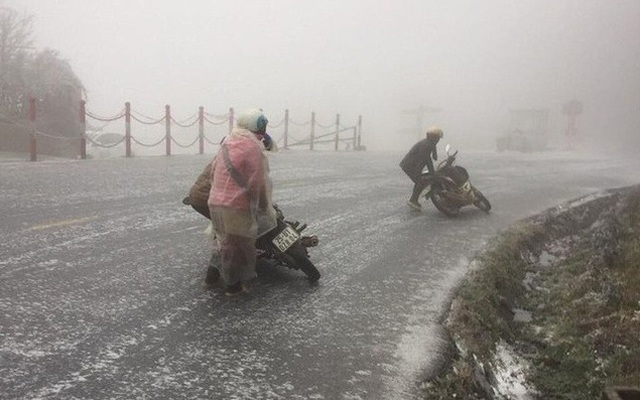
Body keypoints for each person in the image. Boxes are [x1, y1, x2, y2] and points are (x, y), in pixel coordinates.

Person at [204, 109, 276, 296]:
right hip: (237, 206)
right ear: (256, 127)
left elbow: (212, 172)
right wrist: (263, 205)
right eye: (262, 127)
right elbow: (257, 182)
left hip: (216, 202)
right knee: (237, 248)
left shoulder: (228, 141)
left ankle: (211, 278)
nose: (263, 133)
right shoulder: (252, 147)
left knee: (224, 242)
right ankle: (233, 287)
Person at [399, 126, 444, 211]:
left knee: (421, 180)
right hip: (409, 165)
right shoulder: (426, 144)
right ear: (433, 137)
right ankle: (413, 200)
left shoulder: (429, 143)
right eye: (437, 138)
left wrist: (434, 149)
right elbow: (427, 159)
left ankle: (414, 199)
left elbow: (434, 157)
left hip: (414, 164)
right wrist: (432, 172)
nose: (438, 140)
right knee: (420, 181)